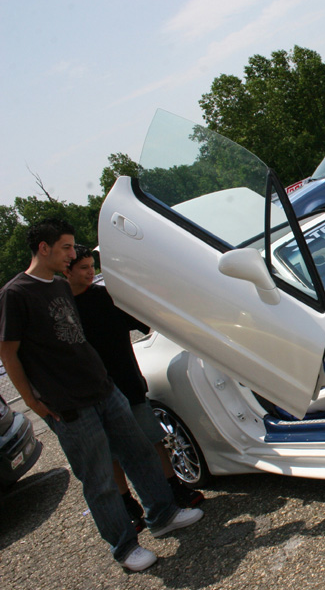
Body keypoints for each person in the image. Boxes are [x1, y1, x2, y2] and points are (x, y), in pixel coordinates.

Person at [0, 218, 204, 572]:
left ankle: (163, 515)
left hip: (104, 389)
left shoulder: (59, 286)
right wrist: (32, 402)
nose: (71, 254)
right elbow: (8, 352)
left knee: (140, 453)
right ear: (44, 248)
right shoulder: (15, 294)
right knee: (99, 479)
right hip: (69, 405)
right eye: (65, 247)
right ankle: (125, 548)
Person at [64, 245, 203, 530]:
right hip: (93, 393)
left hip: (127, 382)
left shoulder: (106, 297)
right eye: (84, 268)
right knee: (111, 454)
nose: (91, 272)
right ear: (67, 271)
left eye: (92, 266)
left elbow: (143, 322)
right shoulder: (62, 310)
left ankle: (173, 487)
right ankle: (128, 506)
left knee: (152, 439)